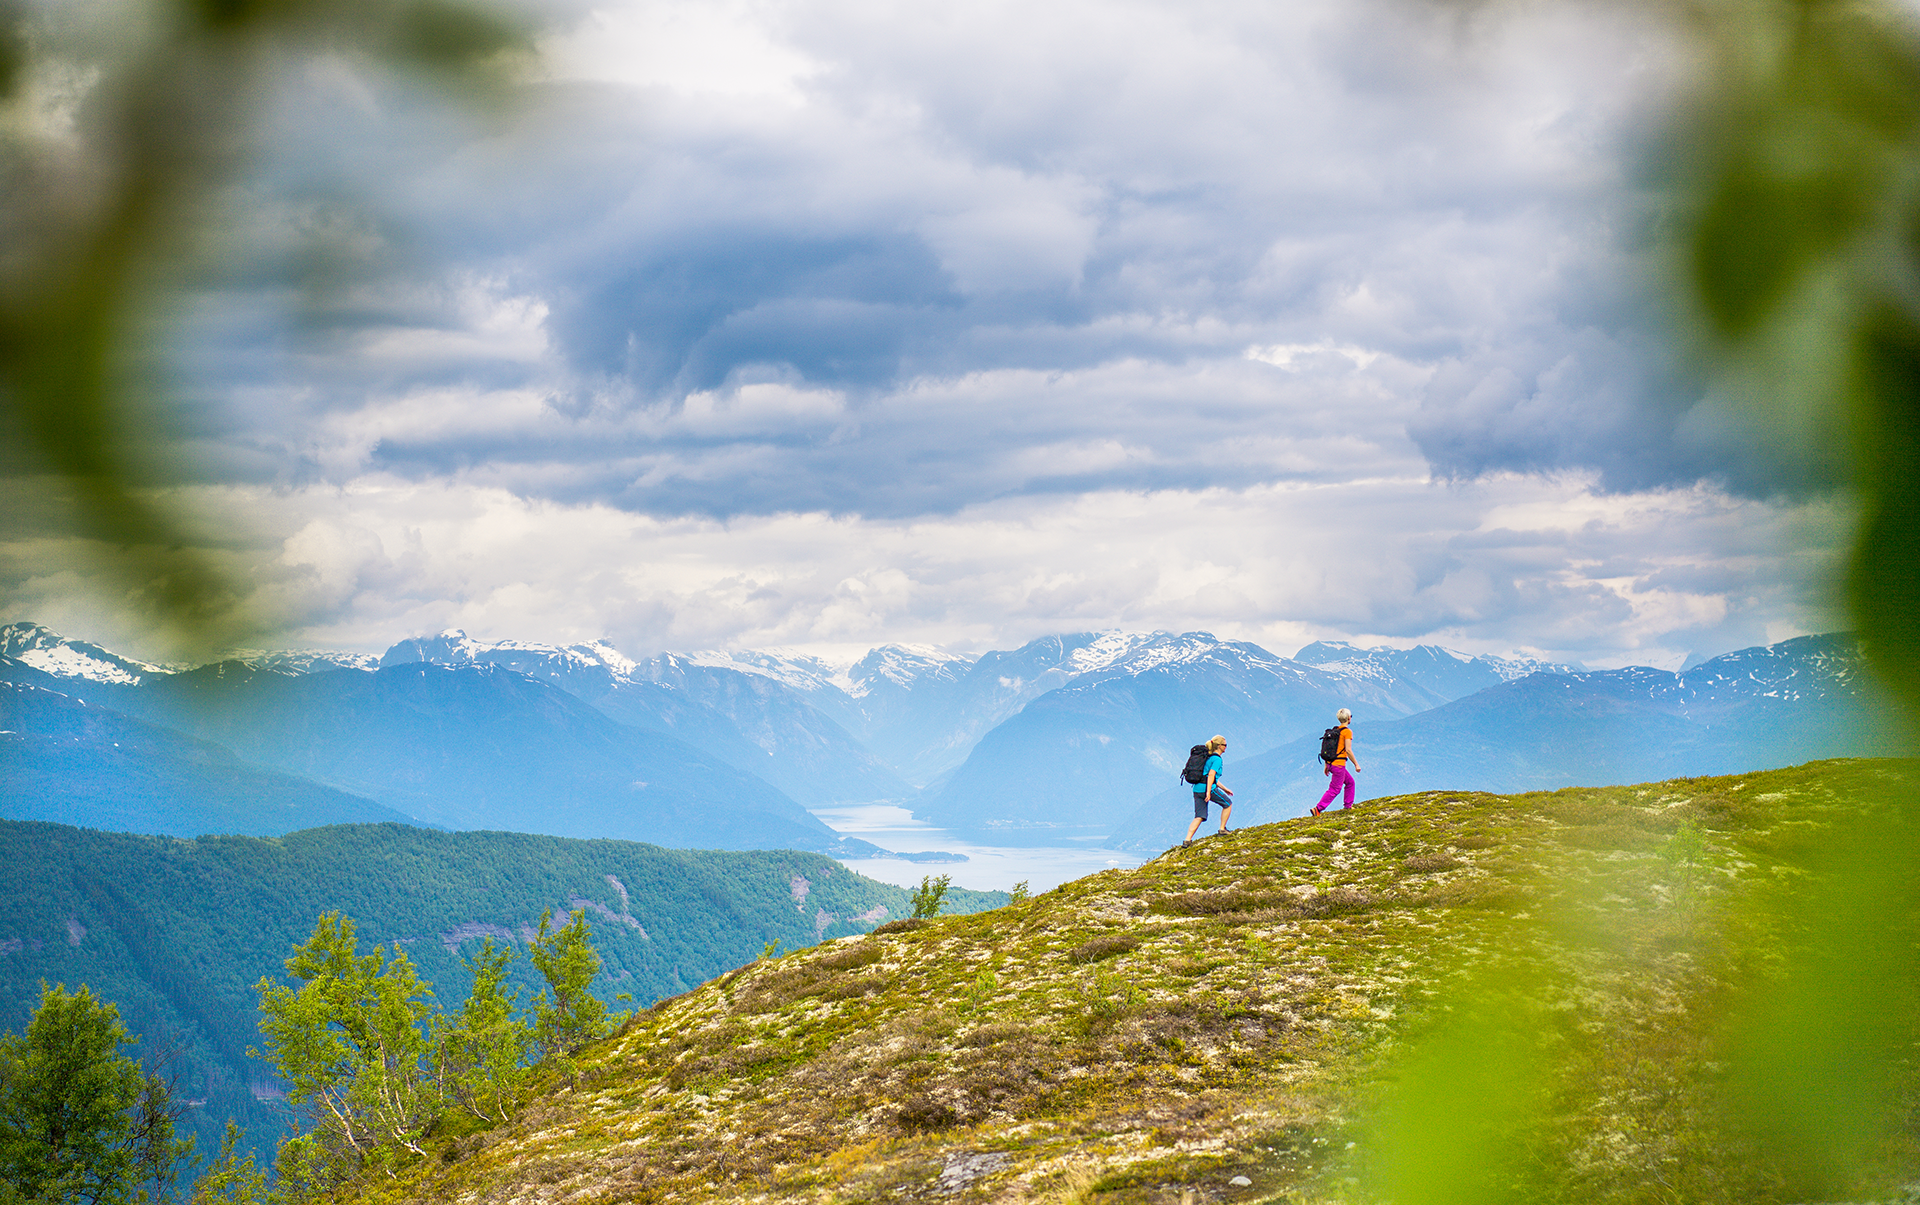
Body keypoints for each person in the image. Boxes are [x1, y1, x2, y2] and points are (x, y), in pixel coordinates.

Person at [1183, 735, 1232, 847]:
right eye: (1225, 745)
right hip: (1206, 788)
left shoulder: (1207, 758)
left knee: (1199, 816)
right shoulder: (1217, 759)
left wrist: (1225, 789)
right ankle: (1222, 829)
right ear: (1219, 746)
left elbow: (1210, 777)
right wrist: (1209, 792)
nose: (1226, 747)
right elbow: (1211, 775)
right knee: (1228, 804)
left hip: (1197, 789)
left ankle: (1187, 840)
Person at [1313, 708, 1360, 814]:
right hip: (1338, 765)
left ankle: (1348, 806)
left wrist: (1326, 765)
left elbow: (1330, 749)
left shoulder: (1335, 731)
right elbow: (1348, 750)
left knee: (1350, 782)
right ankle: (1318, 809)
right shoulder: (1347, 732)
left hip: (1331, 763)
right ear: (1349, 718)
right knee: (1335, 789)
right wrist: (1356, 764)